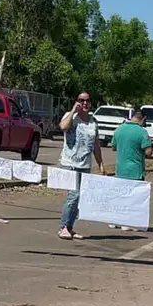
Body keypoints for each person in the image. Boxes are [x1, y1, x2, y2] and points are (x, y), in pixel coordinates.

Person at [57, 92, 106, 240]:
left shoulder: (93, 121)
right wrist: (73, 111)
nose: (85, 103)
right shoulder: (70, 116)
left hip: (84, 165)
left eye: (87, 101)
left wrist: (101, 164)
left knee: (79, 198)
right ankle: (63, 227)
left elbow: (96, 144)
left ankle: (70, 227)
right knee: (74, 195)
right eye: (81, 100)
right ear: (76, 102)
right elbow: (63, 127)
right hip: (69, 163)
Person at [109, 109, 153, 231]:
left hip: (120, 169)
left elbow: (113, 147)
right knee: (133, 198)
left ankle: (114, 221)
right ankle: (127, 223)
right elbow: (148, 152)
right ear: (143, 119)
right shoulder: (142, 132)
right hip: (135, 170)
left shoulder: (119, 129)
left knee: (119, 196)